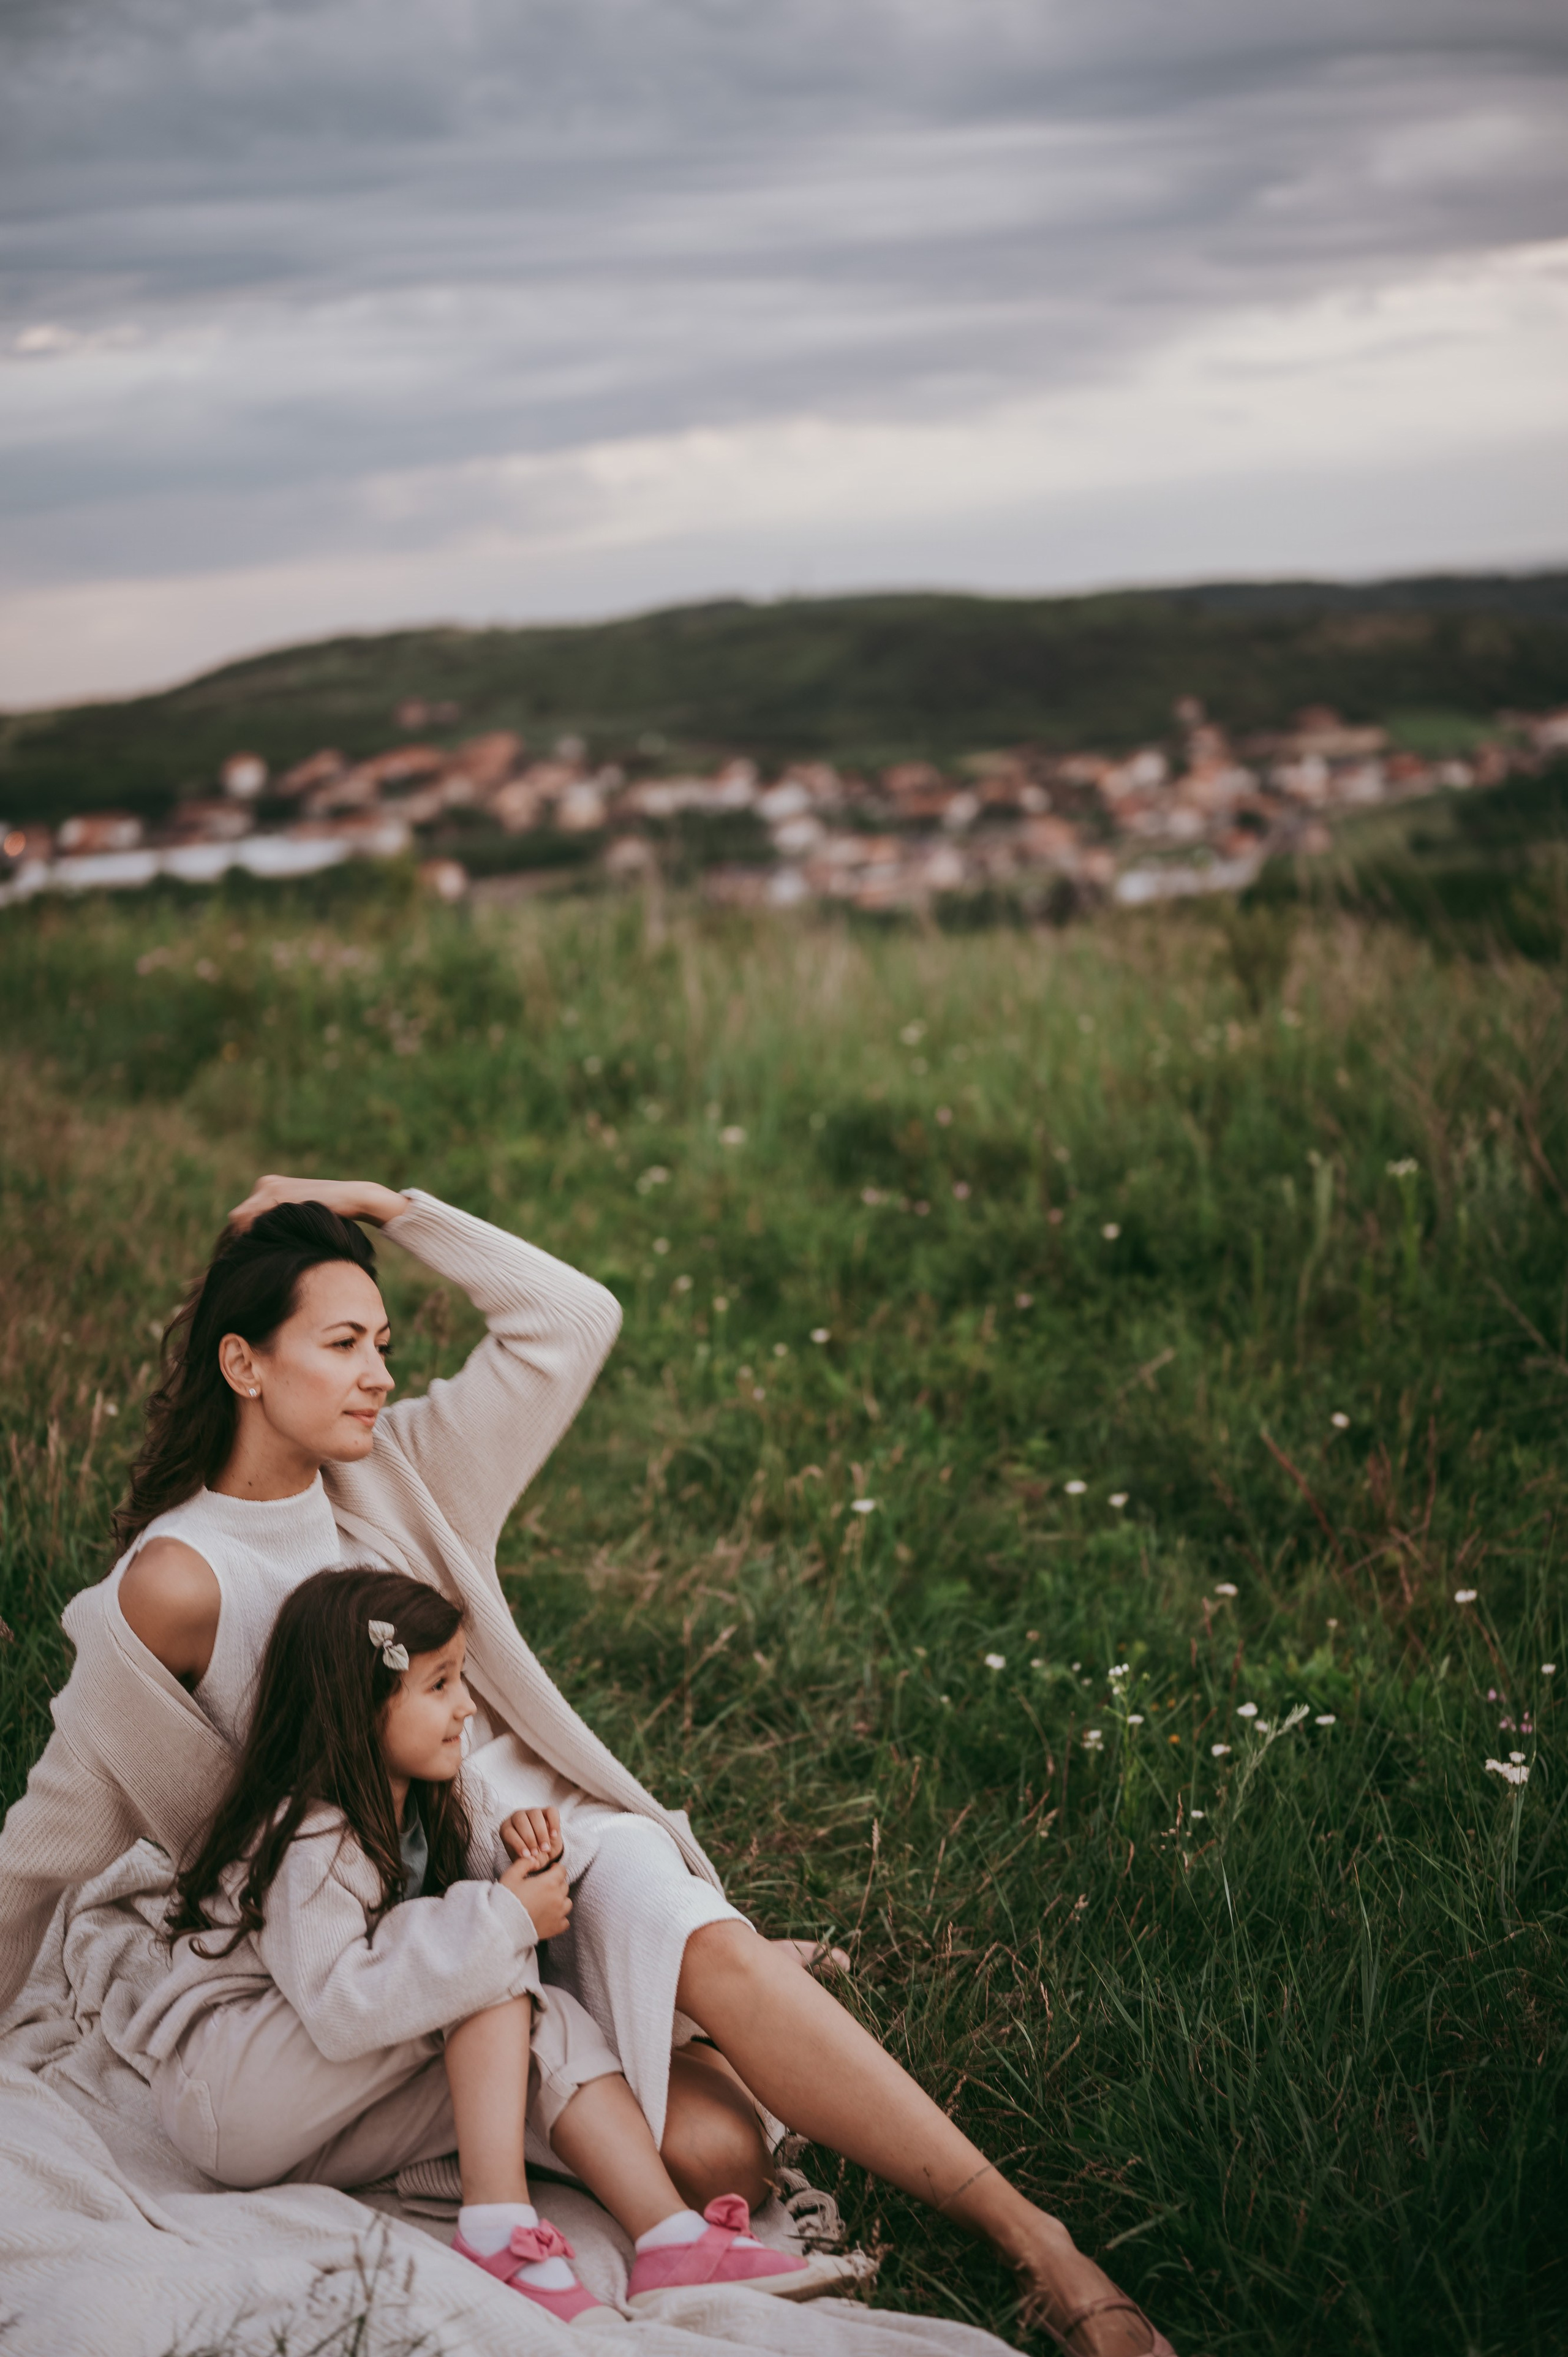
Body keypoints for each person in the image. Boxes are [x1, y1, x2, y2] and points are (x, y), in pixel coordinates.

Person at [0, 1174, 1172, 2357]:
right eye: (344, 1342)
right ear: (244, 1365)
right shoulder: (177, 1581)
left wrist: (389, 1205)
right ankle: (697, 2013)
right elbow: (55, 1833)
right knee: (718, 2151)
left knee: (679, 1920)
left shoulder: (404, 1467)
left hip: (542, 1835)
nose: (380, 1373)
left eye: (386, 1342)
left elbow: (570, 1320)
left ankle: (1041, 2243)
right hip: (406, 1924)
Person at [129, 1563, 845, 2321]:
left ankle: (669, 2238)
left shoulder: (437, 1791)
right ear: (359, 1704)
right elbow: (341, 2005)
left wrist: (519, 1844)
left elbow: (482, 1884)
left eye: (461, 1678)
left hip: (320, 2119)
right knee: (485, 1950)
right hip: (235, 2090)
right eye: (439, 1685)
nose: (466, 1705)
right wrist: (502, 1916)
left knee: (544, 2017)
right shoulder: (310, 1833)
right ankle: (498, 2224)